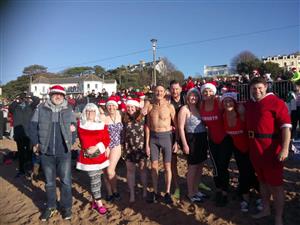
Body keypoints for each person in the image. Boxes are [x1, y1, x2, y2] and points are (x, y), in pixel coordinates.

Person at [245, 77, 291, 225]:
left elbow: (286, 127)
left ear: (266, 87)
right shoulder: (250, 104)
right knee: (262, 183)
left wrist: (284, 148)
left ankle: (278, 218)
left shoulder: (277, 103)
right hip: (255, 149)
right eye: (253, 88)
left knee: (276, 186)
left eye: (259, 88)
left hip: (271, 150)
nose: (257, 91)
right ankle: (265, 209)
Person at [29, 85, 76, 221]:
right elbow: (32, 126)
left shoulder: (68, 109)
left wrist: (71, 142)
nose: (58, 96)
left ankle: (66, 207)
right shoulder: (41, 108)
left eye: (61, 95)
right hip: (46, 152)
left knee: (66, 181)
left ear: (64, 96)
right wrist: (36, 143)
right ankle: (51, 206)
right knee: (50, 182)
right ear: (50, 95)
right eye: (55, 94)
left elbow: (74, 128)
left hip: (64, 152)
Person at [221, 92, 259, 212]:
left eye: (230, 101)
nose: (228, 103)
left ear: (235, 102)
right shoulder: (223, 116)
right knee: (244, 172)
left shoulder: (241, 114)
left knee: (251, 172)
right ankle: (246, 197)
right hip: (237, 148)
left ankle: (258, 196)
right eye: (225, 101)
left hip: (250, 147)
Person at [199, 83, 232, 207]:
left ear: (214, 92)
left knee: (223, 165)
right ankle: (218, 189)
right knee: (216, 167)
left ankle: (224, 191)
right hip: (212, 140)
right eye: (205, 92)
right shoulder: (201, 105)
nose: (208, 94)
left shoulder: (219, 102)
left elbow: (231, 108)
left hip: (225, 139)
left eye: (210, 91)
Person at [145, 84, 177, 205]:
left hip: (166, 137)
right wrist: (147, 144)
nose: (159, 93)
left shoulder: (169, 106)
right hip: (153, 138)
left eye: (161, 91)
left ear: (165, 93)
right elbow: (148, 126)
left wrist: (176, 141)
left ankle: (167, 192)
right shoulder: (150, 106)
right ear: (154, 91)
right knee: (154, 166)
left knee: (167, 166)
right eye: (157, 91)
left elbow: (177, 125)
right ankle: (156, 191)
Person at [76, 103, 110, 215]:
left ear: (96, 112)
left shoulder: (101, 124)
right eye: (88, 111)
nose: (90, 113)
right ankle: (99, 203)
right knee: (95, 178)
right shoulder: (80, 124)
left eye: (92, 111)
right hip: (87, 157)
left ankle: (96, 200)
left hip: (99, 155)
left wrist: (97, 147)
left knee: (96, 179)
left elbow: (106, 139)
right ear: (85, 112)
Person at [178, 88, 208, 203]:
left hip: (202, 138)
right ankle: (190, 193)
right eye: (191, 95)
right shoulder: (184, 109)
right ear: (187, 97)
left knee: (200, 166)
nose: (193, 97)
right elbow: (181, 128)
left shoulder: (199, 108)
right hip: (191, 139)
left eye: (196, 95)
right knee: (193, 167)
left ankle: (196, 190)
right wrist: (185, 144)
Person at [9, 92, 40, 177]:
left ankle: (29, 170)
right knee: (21, 153)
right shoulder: (15, 108)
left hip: (29, 134)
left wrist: (29, 96)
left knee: (29, 152)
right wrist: (18, 98)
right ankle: (21, 170)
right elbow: (10, 107)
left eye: (24, 98)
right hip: (19, 134)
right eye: (22, 98)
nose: (23, 100)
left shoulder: (30, 106)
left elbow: (37, 100)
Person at [123, 98, 147, 202]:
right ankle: (132, 193)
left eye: (132, 107)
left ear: (136, 107)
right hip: (129, 148)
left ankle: (145, 190)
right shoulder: (124, 118)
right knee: (130, 171)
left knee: (142, 170)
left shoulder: (142, 116)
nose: (130, 109)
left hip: (141, 147)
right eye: (128, 107)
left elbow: (148, 100)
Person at [103, 96, 124, 201]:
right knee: (105, 171)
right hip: (105, 146)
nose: (111, 107)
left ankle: (115, 190)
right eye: (109, 105)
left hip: (116, 145)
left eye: (113, 105)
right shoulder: (103, 117)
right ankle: (109, 192)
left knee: (110, 170)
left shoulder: (121, 114)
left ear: (116, 106)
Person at [169, 80, 185, 199]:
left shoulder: (186, 98)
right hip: (172, 134)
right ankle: (177, 186)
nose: (175, 91)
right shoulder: (167, 100)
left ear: (181, 89)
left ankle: (195, 181)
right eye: (172, 89)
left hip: (186, 132)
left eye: (176, 88)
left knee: (191, 159)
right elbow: (150, 99)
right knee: (173, 162)